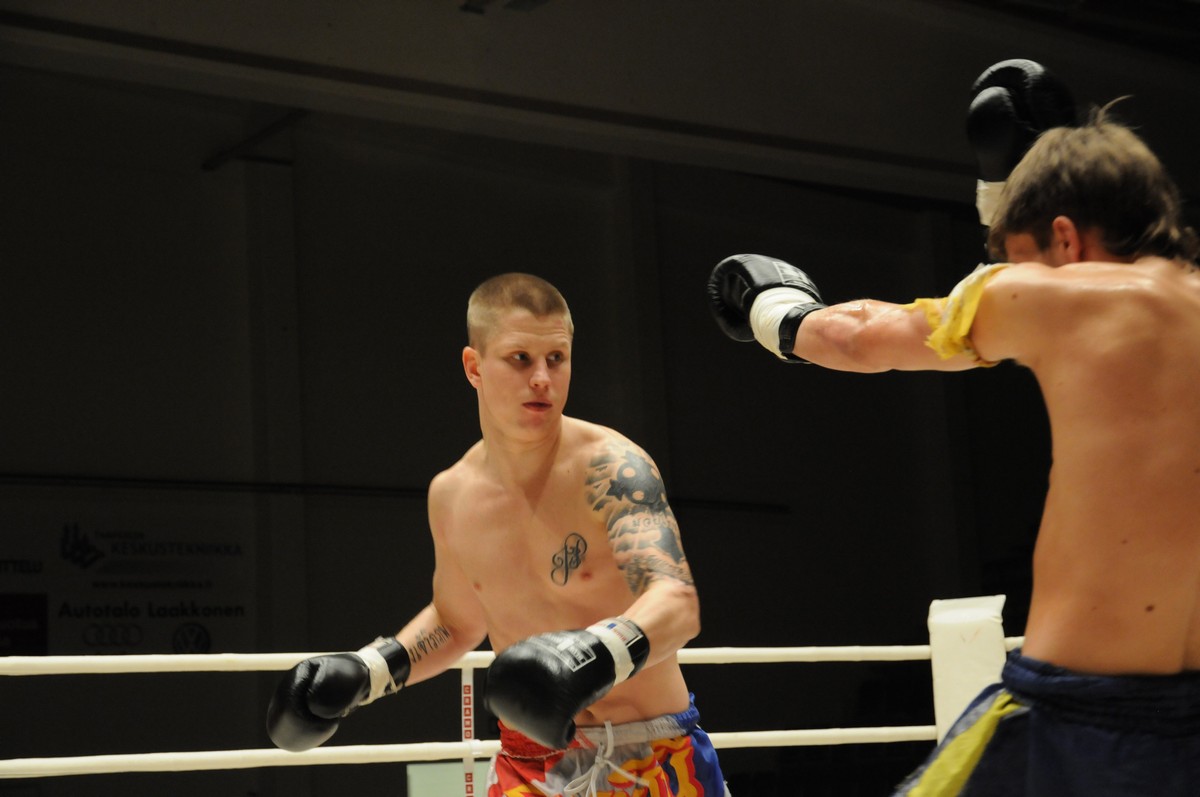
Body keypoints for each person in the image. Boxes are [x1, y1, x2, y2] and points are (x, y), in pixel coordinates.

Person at [707, 105, 1200, 795]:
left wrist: (774, 312)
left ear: (1064, 236)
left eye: (1019, 258)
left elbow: (859, 336)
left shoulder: (1059, 294)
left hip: (1075, 718)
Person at [267, 273, 730, 796]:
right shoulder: (453, 494)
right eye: (520, 359)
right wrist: (371, 671)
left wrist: (594, 654)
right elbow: (456, 621)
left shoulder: (612, 468)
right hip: (529, 765)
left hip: (653, 755)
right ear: (474, 367)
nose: (542, 378)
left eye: (556, 358)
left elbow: (676, 601)